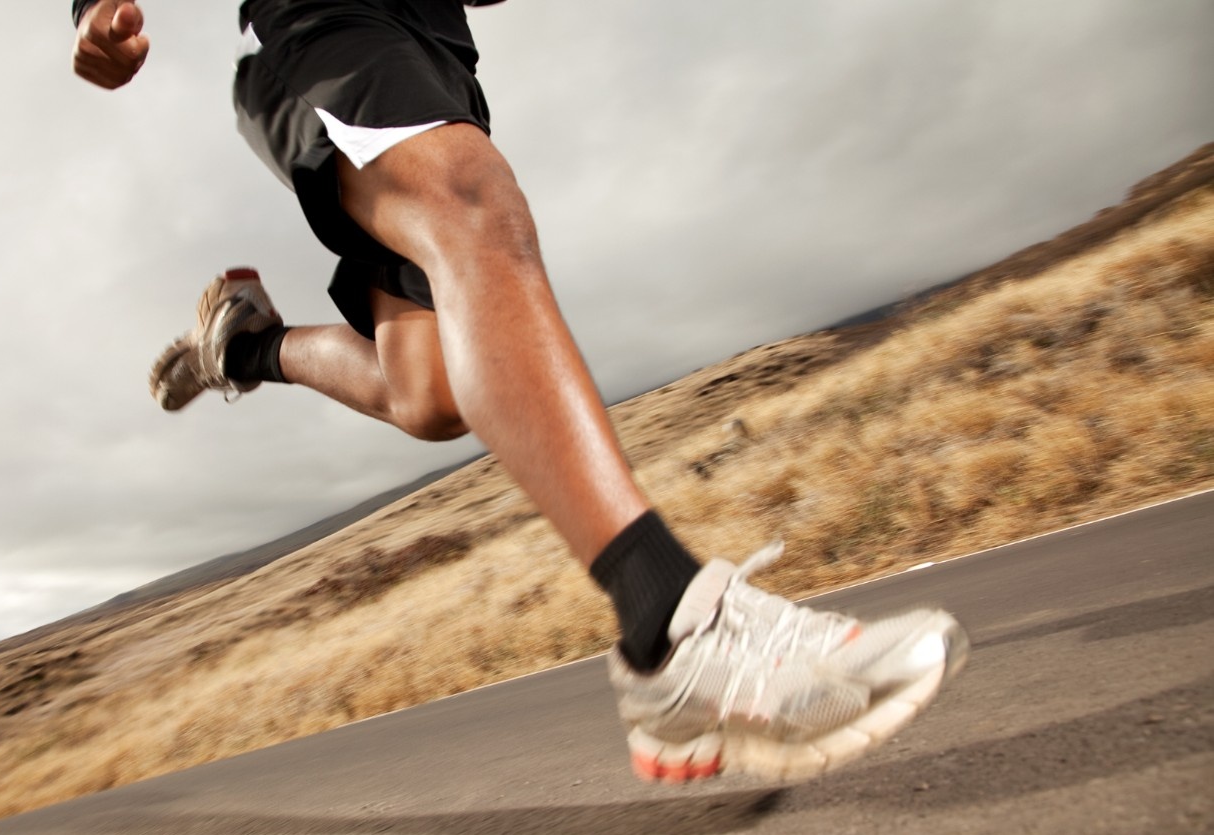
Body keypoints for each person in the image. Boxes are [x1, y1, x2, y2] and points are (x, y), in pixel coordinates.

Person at [70, 0, 967, 784]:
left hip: (435, 57)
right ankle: (673, 629)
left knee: (429, 395)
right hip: (322, 28)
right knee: (471, 203)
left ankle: (251, 347)